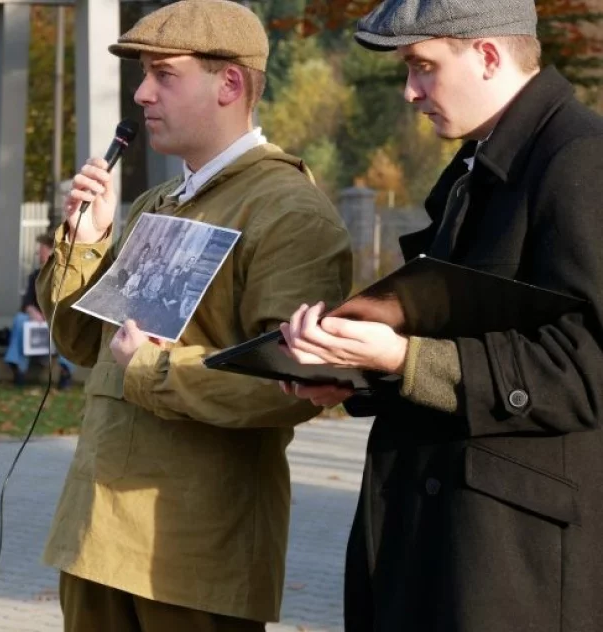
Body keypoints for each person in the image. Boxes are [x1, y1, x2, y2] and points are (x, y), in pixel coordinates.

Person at [278, 1, 603, 630]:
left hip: (512, 566)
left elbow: (585, 368)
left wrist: (401, 358)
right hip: (448, 544)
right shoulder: (479, 162)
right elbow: (469, 327)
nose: (410, 92)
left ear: (486, 55)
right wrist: (354, 372)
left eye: (424, 67)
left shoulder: (579, 159)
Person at [35, 1, 353, 629]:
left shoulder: (288, 211)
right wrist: (89, 241)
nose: (142, 92)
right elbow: (84, 344)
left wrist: (154, 370)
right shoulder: (160, 201)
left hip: (192, 556)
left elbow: (295, 383)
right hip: (98, 534)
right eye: (145, 75)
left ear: (229, 83)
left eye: (165, 74)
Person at [3, 233, 75, 389]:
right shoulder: (35, 276)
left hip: (58, 318)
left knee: (68, 324)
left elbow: (67, 303)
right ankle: (17, 367)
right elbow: (27, 302)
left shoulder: (67, 275)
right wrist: (33, 312)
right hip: (38, 319)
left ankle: (65, 371)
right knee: (20, 320)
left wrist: (50, 315)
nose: (39, 255)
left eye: (41, 251)